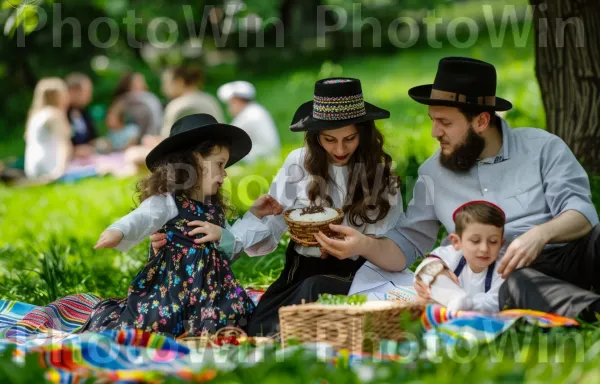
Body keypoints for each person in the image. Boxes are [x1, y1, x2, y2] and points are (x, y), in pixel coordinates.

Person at [315, 57, 600, 321]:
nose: (434, 132)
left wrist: (540, 234)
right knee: (517, 285)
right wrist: (362, 245)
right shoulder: (432, 173)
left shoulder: (542, 147)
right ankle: (590, 309)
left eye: (445, 123)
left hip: (569, 253)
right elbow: (408, 243)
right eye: (433, 120)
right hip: (510, 276)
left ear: (481, 121)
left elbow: (583, 214)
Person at [151, 78, 403, 336]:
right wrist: (234, 233)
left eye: (349, 138)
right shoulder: (299, 163)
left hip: (359, 270)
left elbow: (392, 238)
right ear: (316, 137)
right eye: (329, 139)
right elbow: (272, 221)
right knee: (261, 326)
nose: (339, 149)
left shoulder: (380, 172)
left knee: (311, 300)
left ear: (364, 132)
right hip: (303, 268)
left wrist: (357, 244)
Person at [84, 114, 281, 337]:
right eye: (219, 164)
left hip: (215, 292)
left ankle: (208, 332)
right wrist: (117, 231)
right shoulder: (168, 202)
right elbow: (141, 217)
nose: (224, 173)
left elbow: (232, 249)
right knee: (156, 322)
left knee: (235, 317)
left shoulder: (213, 211)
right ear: (194, 161)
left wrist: (236, 225)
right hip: (173, 290)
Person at [413, 201, 506, 313]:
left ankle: (456, 303)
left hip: (477, 314)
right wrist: (436, 273)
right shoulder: (451, 255)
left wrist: (467, 304)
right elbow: (426, 267)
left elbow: (494, 302)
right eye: (475, 241)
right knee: (431, 274)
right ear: (456, 242)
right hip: (449, 302)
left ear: (501, 243)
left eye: (493, 241)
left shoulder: (502, 268)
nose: (484, 248)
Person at [217, 81, 281, 163]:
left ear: (236, 101)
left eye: (230, 104)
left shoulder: (247, 116)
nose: (229, 108)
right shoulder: (256, 109)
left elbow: (227, 140)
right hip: (270, 157)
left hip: (263, 159)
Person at [24, 78, 73, 181]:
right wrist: (60, 170)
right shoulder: (55, 115)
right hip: (50, 167)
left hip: (32, 169)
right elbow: (62, 144)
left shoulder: (36, 116)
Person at [161, 66, 225, 137]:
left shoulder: (178, 105)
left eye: (165, 83)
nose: (163, 88)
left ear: (179, 81)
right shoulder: (210, 99)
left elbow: (166, 138)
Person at [113, 72, 164, 137]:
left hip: (150, 138)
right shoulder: (123, 103)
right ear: (130, 85)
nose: (144, 83)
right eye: (139, 81)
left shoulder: (148, 99)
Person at [65, 73, 98, 157]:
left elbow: (93, 137)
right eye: (87, 92)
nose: (89, 96)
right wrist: (74, 150)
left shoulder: (84, 112)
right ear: (73, 91)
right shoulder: (61, 114)